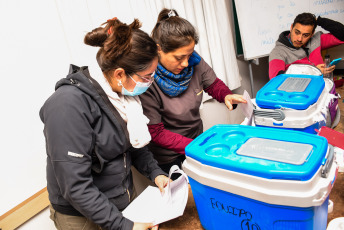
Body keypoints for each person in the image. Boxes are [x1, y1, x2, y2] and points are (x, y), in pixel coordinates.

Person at [39, 17, 170, 230]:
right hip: (81, 214)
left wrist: (156, 173)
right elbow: (75, 187)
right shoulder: (68, 106)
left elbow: (133, 143)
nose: (151, 82)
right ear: (120, 74)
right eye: (147, 77)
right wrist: (124, 226)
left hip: (119, 198)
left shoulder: (126, 99)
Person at [139, 8, 247, 176]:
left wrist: (226, 95)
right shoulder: (147, 80)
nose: (185, 63)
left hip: (195, 141)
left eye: (189, 55)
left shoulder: (193, 61)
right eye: (179, 57)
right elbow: (157, 133)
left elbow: (212, 84)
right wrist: (196, 145)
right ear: (159, 49)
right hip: (168, 157)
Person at [269, 12, 344, 79]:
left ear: (312, 34)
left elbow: (342, 34)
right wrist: (314, 71)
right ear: (291, 27)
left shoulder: (315, 40)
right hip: (302, 93)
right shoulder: (278, 52)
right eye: (297, 32)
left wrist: (318, 20)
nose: (299, 39)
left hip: (322, 87)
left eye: (305, 35)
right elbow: (276, 79)